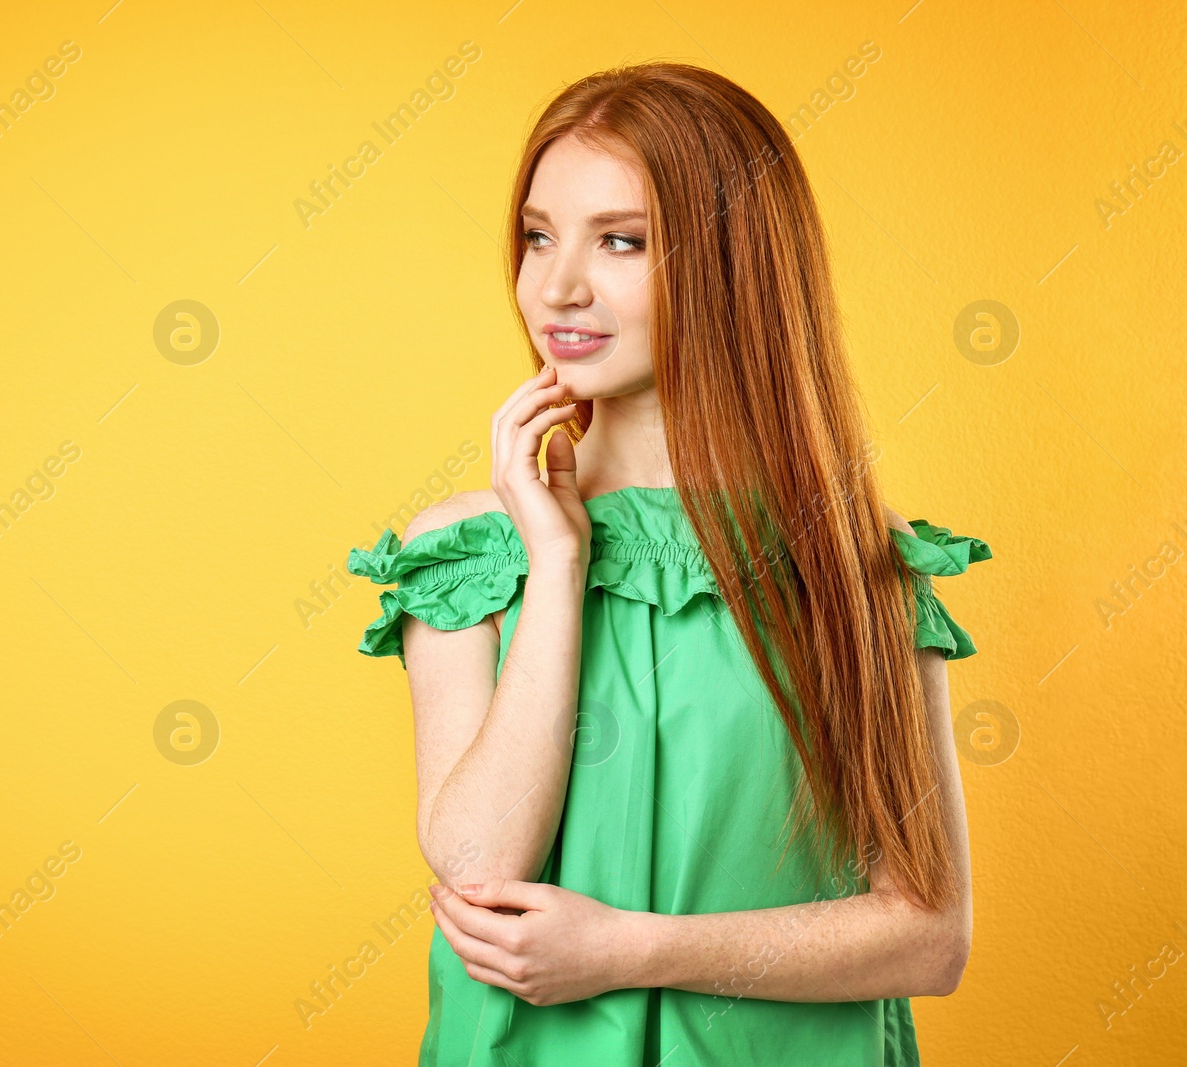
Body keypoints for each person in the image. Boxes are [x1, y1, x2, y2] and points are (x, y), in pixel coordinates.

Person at [345, 61, 993, 1065]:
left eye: (621, 240)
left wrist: (629, 949)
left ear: (732, 265)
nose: (556, 285)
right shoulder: (468, 550)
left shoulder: (856, 560)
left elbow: (927, 930)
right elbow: (477, 860)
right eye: (536, 235)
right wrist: (555, 565)